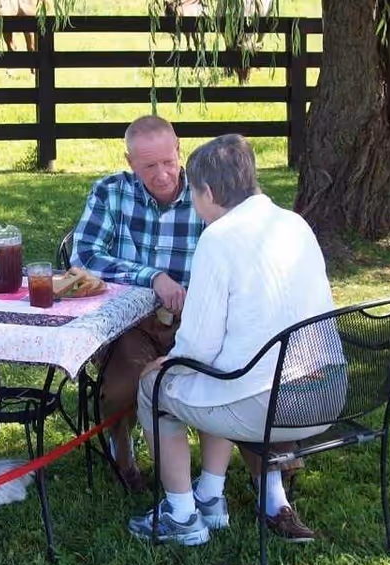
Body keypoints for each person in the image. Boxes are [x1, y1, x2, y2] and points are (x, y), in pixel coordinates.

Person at [126, 134, 341, 546]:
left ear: (207, 191)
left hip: (270, 404)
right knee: (219, 379)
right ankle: (211, 495)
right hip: (327, 393)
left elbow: (199, 348)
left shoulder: (218, 238)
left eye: (194, 194)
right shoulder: (295, 223)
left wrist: (166, 363)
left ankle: (182, 515)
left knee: (157, 389)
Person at [70, 116, 301, 493]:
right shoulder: (111, 192)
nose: (162, 174)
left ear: (179, 150)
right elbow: (83, 258)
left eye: (168, 161)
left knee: (235, 376)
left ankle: (272, 476)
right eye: (148, 166)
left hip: (201, 316)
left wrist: (195, 296)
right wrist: (153, 277)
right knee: (120, 388)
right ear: (129, 162)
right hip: (134, 320)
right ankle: (121, 451)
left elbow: (236, 254)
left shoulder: (208, 193)